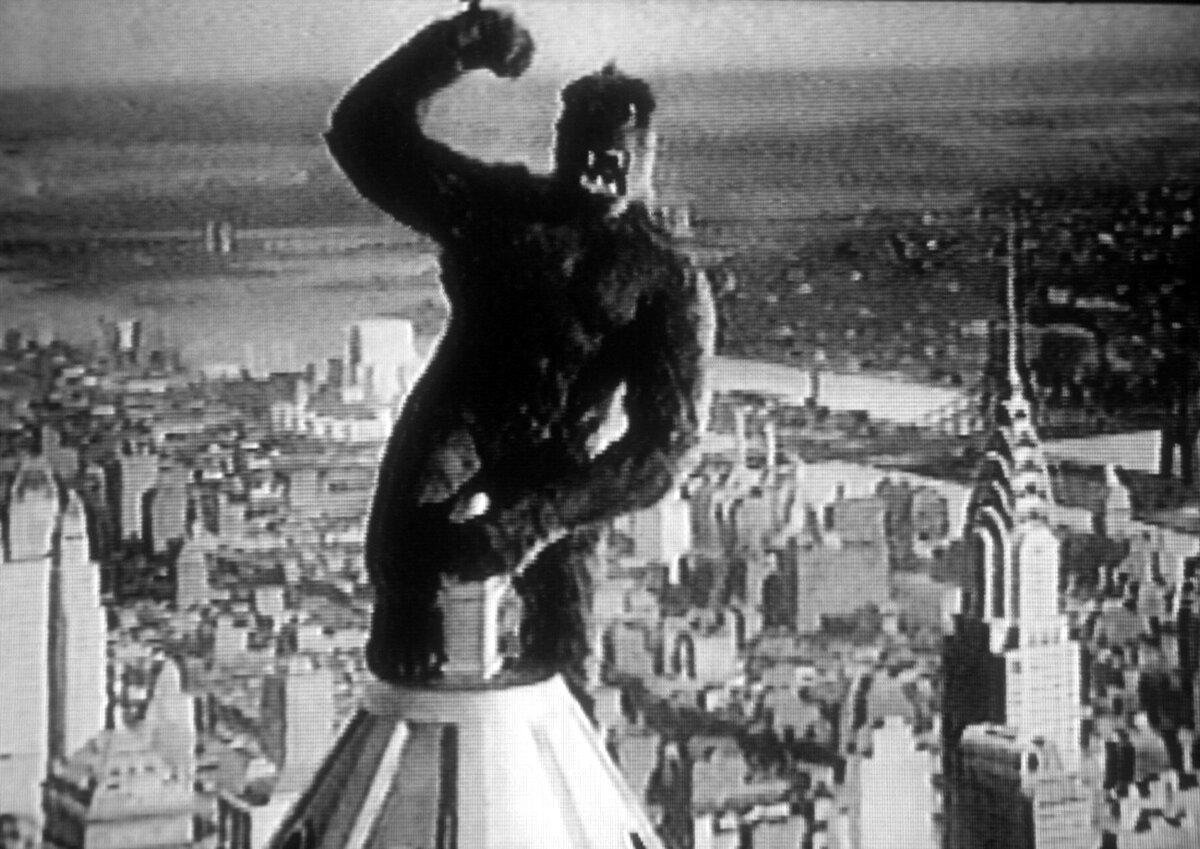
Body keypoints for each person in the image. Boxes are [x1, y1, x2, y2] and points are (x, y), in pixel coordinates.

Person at [326, 5, 713, 683]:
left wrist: (537, 521)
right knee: (406, 615)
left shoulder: (663, 277)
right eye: (582, 147)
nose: (595, 169)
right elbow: (364, 135)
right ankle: (409, 611)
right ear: (560, 144)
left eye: (611, 154)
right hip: (457, 428)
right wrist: (451, 47)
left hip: (557, 463)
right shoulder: (501, 210)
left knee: (564, 672)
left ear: (643, 158)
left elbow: (668, 446)